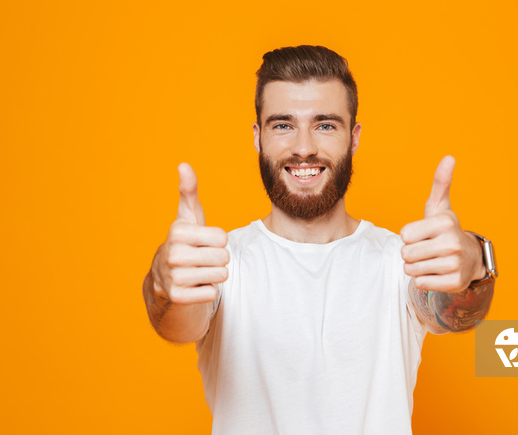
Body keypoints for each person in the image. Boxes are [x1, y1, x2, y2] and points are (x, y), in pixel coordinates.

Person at [142, 45, 497, 434]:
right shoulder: (218, 264)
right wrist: (163, 282)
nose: (304, 147)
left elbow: (456, 313)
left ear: (354, 136)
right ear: (258, 137)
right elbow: (178, 325)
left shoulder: (401, 260)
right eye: (283, 125)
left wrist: (474, 262)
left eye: (325, 124)